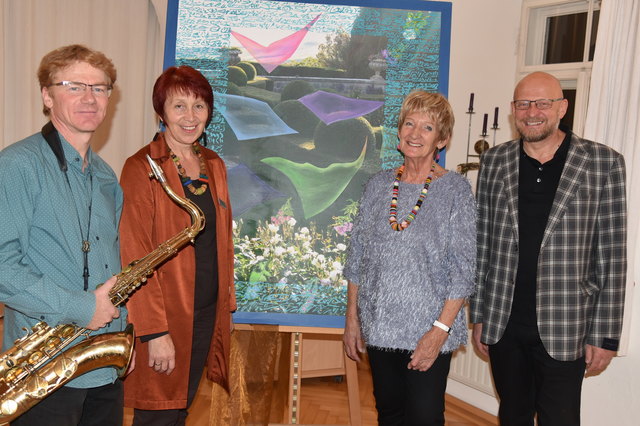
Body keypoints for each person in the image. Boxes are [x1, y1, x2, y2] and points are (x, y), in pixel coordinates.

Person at [470, 72, 627, 426]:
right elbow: (483, 243)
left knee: (560, 418)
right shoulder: (495, 161)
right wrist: (478, 314)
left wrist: (605, 334)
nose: (532, 112)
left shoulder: (603, 163)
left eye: (543, 103)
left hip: (566, 324)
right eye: (523, 104)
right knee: (513, 414)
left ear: (562, 108)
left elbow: (613, 256)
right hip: (504, 322)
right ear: (513, 110)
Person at [0, 45, 126, 425]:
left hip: (103, 363)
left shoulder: (106, 177)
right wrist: (82, 307)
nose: (90, 97)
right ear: (47, 95)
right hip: (43, 369)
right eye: (73, 86)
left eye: (100, 88)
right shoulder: (17, 165)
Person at [343, 90, 476, 425]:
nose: (415, 134)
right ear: (399, 131)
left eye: (427, 128)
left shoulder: (455, 191)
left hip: (428, 329)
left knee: (425, 418)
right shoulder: (377, 186)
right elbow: (357, 255)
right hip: (379, 325)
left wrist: (439, 331)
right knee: (389, 414)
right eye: (409, 124)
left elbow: (464, 271)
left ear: (441, 139)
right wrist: (353, 319)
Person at [119, 65, 235, 425]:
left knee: (180, 410)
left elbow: (222, 241)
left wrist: (225, 307)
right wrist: (155, 332)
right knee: (157, 416)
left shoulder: (213, 165)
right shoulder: (141, 167)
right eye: (179, 106)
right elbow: (135, 254)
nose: (190, 116)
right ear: (161, 112)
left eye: (199, 106)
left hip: (206, 313)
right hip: (165, 319)